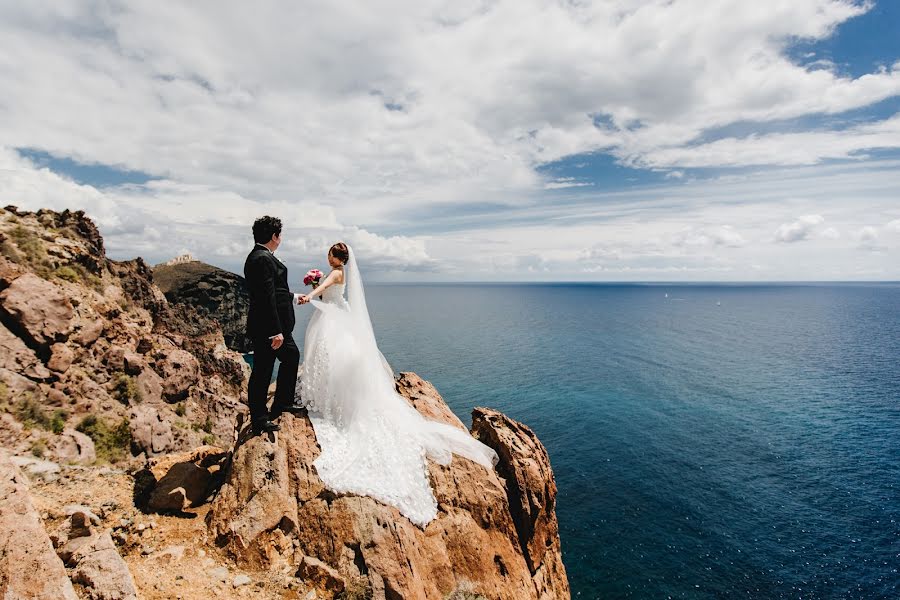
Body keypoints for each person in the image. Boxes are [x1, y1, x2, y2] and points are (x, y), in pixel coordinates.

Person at [297, 242, 498, 527]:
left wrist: (309, 294)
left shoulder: (335, 273)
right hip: (338, 314)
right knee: (336, 355)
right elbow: (329, 289)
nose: (327, 256)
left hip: (330, 317)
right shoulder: (340, 274)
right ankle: (330, 388)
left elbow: (322, 290)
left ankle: (324, 392)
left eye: (330, 253)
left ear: (337, 258)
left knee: (328, 352)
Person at [243, 216, 305, 435]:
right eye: (280, 235)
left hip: (271, 326)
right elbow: (265, 297)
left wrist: (294, 296)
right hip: (269, 328)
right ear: (274, 236)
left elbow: (275, 291)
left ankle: (282, 404)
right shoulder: (261, 258)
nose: (281, 239)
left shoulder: (261, 257)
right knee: (262, 371)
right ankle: (260, 419)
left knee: (290, 358)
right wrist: (275, 331)